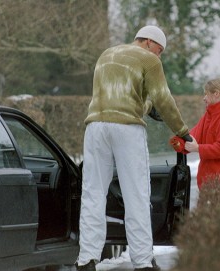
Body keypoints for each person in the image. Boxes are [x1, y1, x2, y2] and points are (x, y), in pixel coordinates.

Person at [75, 25, 190, 271]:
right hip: (127, 128)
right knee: (136, 195)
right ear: (149, 42)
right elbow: (163, 98)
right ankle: (142, 261)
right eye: (159, 50)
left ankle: (86, 259)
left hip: (95, 127)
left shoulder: (106, 54)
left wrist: (146, 106)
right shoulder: (149, 60)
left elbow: (122, 95)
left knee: (93, 194)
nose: (158, 56)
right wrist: (182, 131)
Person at [184, 78, 220, 190]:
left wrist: (198, 148)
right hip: (209, 181)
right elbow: (194, 135)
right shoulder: (209, 115)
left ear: (216, 94)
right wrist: (179, 140)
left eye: (206, 94)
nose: (204, 98)